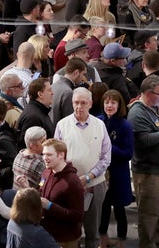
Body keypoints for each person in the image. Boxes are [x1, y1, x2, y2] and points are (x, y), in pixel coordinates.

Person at [54, 87, 111, 248]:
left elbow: (106, 157)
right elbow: (57, 156)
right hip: (69, 187)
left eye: (83, 103)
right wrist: (73, 179)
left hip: (95, 185)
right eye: (76, 103)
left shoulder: (99, 125)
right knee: (71, 232)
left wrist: (88, 177)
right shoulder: (62, 125)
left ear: (91, 104)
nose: (79, 107)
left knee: (93, 233)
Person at [128, 75, 159, 248]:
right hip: (147, 171)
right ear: (148, 94)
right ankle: (147, 243)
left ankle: (155, 237)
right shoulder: (136, 113)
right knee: (148, 211)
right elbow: (144, 141)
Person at [97, 90, 134, 248]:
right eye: (106, 102)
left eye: (113, 102)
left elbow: (128, 153)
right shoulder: (98, 121)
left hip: (118, 172)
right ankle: (103, 241)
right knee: (103, 210)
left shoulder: (125, 125)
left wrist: (108, 147)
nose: (109, 105)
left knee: (119, 209)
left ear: (119, 105)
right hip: (100, 172)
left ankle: (121, 243)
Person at [38, 138, 84, 246]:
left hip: (65, 240)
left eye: (49, 155)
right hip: (47, 236)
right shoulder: (46, 172)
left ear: (61, 155)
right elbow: (41, 190)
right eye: (43, 154)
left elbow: (77, 216)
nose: (45, 158)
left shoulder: (72, 182)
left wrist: (49, 206)